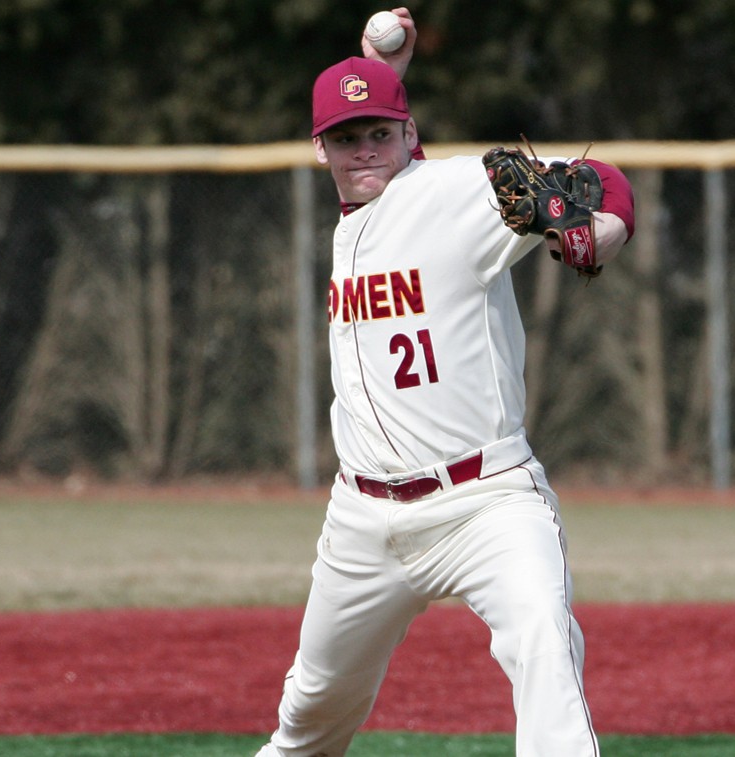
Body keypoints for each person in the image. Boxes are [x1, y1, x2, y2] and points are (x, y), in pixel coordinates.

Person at [254, 9, 635, 756]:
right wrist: (378, 69)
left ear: (408, 132)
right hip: (363, 519)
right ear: (318, 147)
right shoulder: (357, 214)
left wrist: (596, 229)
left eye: (379, 132)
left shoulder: (459, 191)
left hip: (484, 504)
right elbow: (384, 168)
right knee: (310, 715)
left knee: (544, 653)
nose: (364, 149)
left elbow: (607, 183)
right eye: (344, 136)